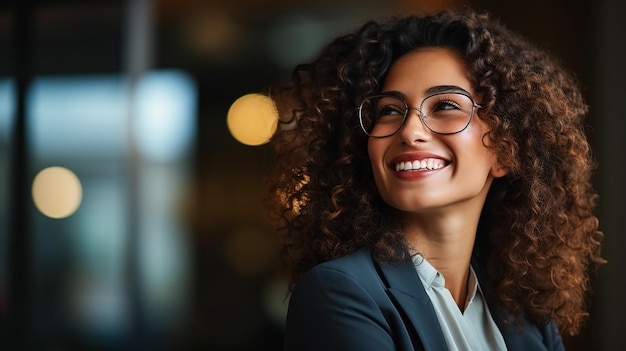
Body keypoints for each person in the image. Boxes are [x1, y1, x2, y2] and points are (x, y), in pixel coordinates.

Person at [264, 8, 605, 351]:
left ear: (507, 149)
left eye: (444, 106)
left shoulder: (528, 316)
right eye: (390, 111)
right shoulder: (339, 292)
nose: (410, 131)